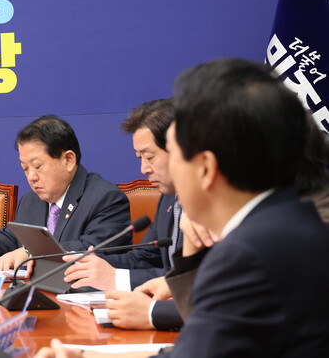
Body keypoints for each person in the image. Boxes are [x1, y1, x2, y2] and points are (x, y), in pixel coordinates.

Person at [36, 58, 329, 358]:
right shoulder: (291, 222)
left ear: (206, 168)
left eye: (174, 154)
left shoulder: (250, 253)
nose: (149, 169)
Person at [0, 114, 130, 276]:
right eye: (25, 168)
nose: (31, 177)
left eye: (38, 166)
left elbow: (93, 250)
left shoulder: (106, 199)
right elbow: (10, 239)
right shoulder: (31, 200)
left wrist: (31, 252)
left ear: (68, 160)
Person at [62, 99, 192, 331]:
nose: (143, 169)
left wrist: (116, 278)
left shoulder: (214, 206)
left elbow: (192, 279)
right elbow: (144, 258)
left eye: (150, 157)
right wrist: (93, 265)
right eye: (139, 158)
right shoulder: (168, 197)